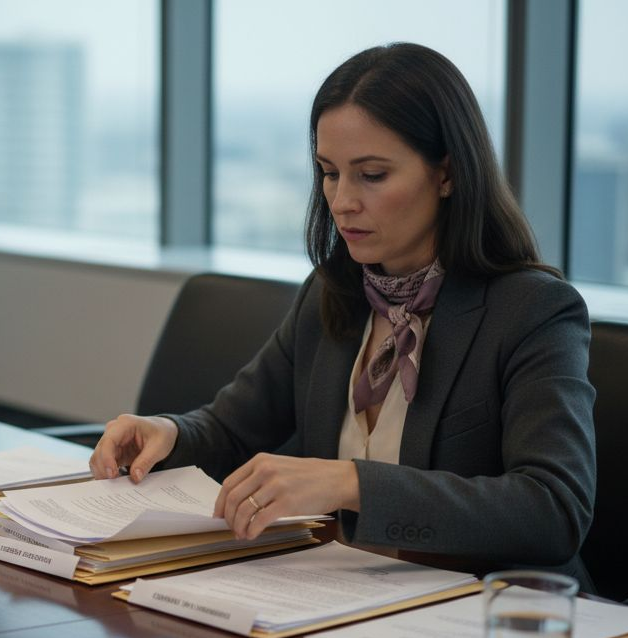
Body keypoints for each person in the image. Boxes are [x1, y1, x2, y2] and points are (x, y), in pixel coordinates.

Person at [89, 43, 596, 581]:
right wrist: (167, 432)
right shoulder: (334, 292)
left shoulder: (533, 310)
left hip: (484, 618)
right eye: (330, 173)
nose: (342, 201)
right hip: (342, 598)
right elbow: (232, 428)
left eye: (372, 175)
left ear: (446, 173)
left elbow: (554, 509)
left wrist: (351, 482)